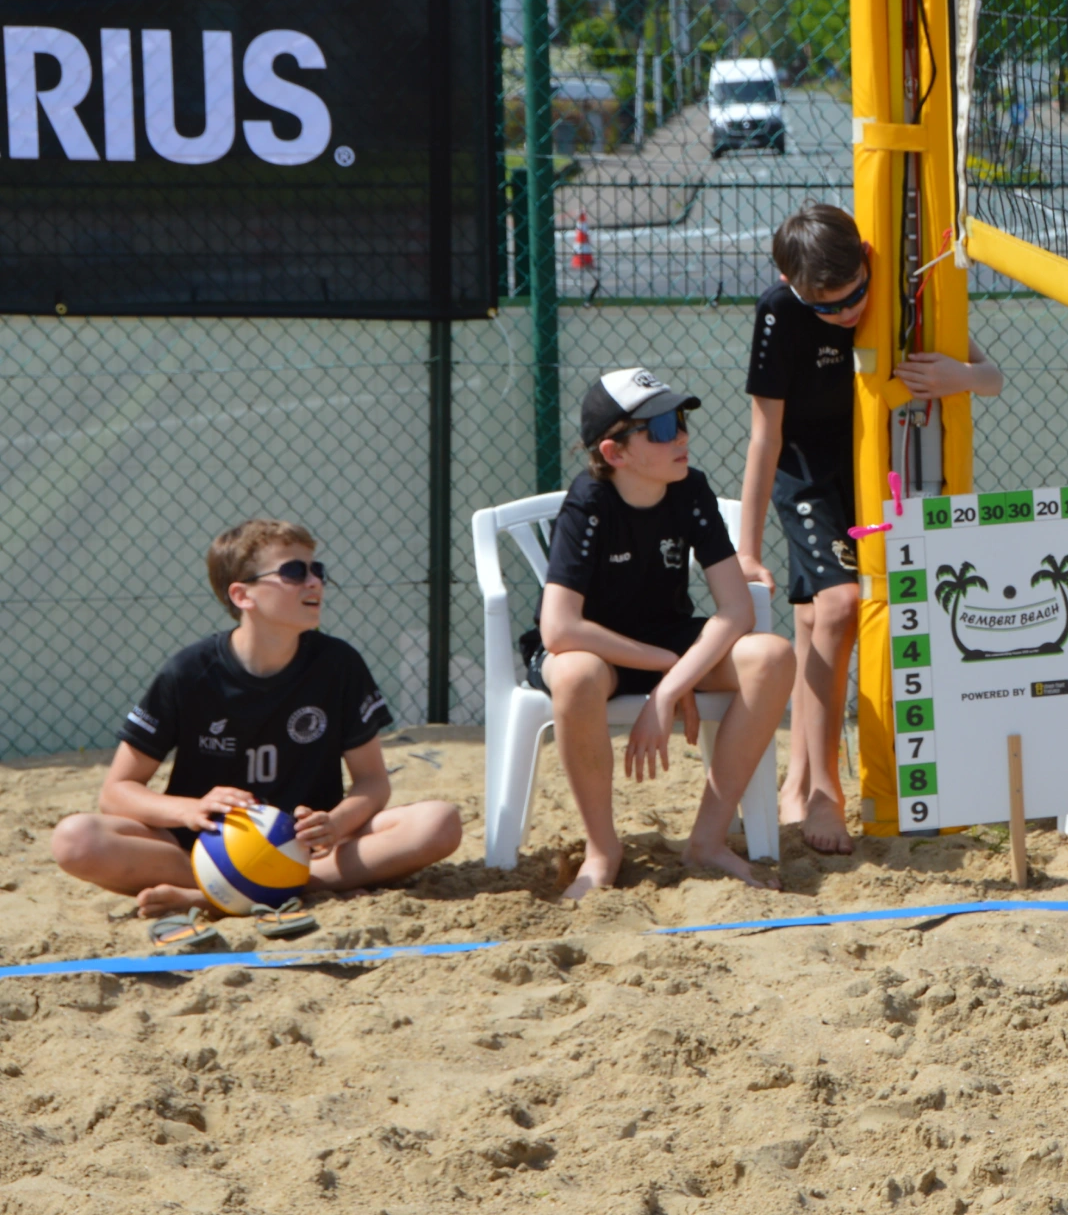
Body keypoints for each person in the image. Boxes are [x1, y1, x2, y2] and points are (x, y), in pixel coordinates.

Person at [52, 519, 464, 946]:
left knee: (440, 822)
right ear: (241, 594)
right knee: (75, 839)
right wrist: (191, 810)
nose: (314, 583)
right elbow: (117, 791)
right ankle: (270, 888)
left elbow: (373, 782)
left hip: (308, 850)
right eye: (294, 572)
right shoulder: (188, 672)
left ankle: (219, 897)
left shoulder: (338, 664)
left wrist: (336, 824)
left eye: (316, 570)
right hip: (202, 850)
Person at [737, 202, 1002, 854]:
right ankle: (824, 791)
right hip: (809, 471)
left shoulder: (899, 285)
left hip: (877, 464)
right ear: (791, 283)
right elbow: (765, 437)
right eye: (826, 306)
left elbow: (991, 377)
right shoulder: (778, 312)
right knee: (837, 604)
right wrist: (745, 549)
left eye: (854, 294)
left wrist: (957, 376)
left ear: (865, 258)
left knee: (814, 621)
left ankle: (798, 782)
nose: (847, 312)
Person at [526, 368, 794, 901]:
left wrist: (670, 687)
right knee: (576, 674)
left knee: (773, 656)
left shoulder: (690, 489)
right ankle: (603, 851)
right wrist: (665, 665)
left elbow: (736, 610)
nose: (683, 436)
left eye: (682, 420)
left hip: (668, 644)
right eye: (664, 426)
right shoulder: (589, 502)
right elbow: (559, 628)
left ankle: (708, 842)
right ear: (616, 451)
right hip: (596, 648)